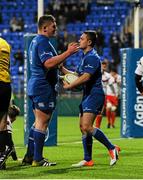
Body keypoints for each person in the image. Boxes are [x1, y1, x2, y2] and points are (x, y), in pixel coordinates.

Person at [22, 15, 79, 167]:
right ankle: (38, 159)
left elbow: (50, 66)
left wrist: (62, 76)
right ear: (45, 27)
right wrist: (68, 52)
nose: (56, 28)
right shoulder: (43, 42)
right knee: (42, 122)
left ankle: (29, 156)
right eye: (53, 26)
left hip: (37, 85)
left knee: (37, 123)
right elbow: (48, 63)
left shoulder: (36, 41)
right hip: (43, 87)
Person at [61, 30, 121, 167]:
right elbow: (76, 75)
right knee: (83, 127)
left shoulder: (92, 57)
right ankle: (88, 159)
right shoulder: (84, 57)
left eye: (81, 39)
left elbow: (86, 77)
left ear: (89, 42)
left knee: (87, 126)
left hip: (95, 94)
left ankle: (112, 148)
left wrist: (69, 87)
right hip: (87, 95)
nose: (79, 40)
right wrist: (62, 69)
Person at [0, 38, 13, 169]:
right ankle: (1, 158)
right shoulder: (5, 43)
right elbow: (8, 65)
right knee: (3, 121)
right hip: (5, 84)